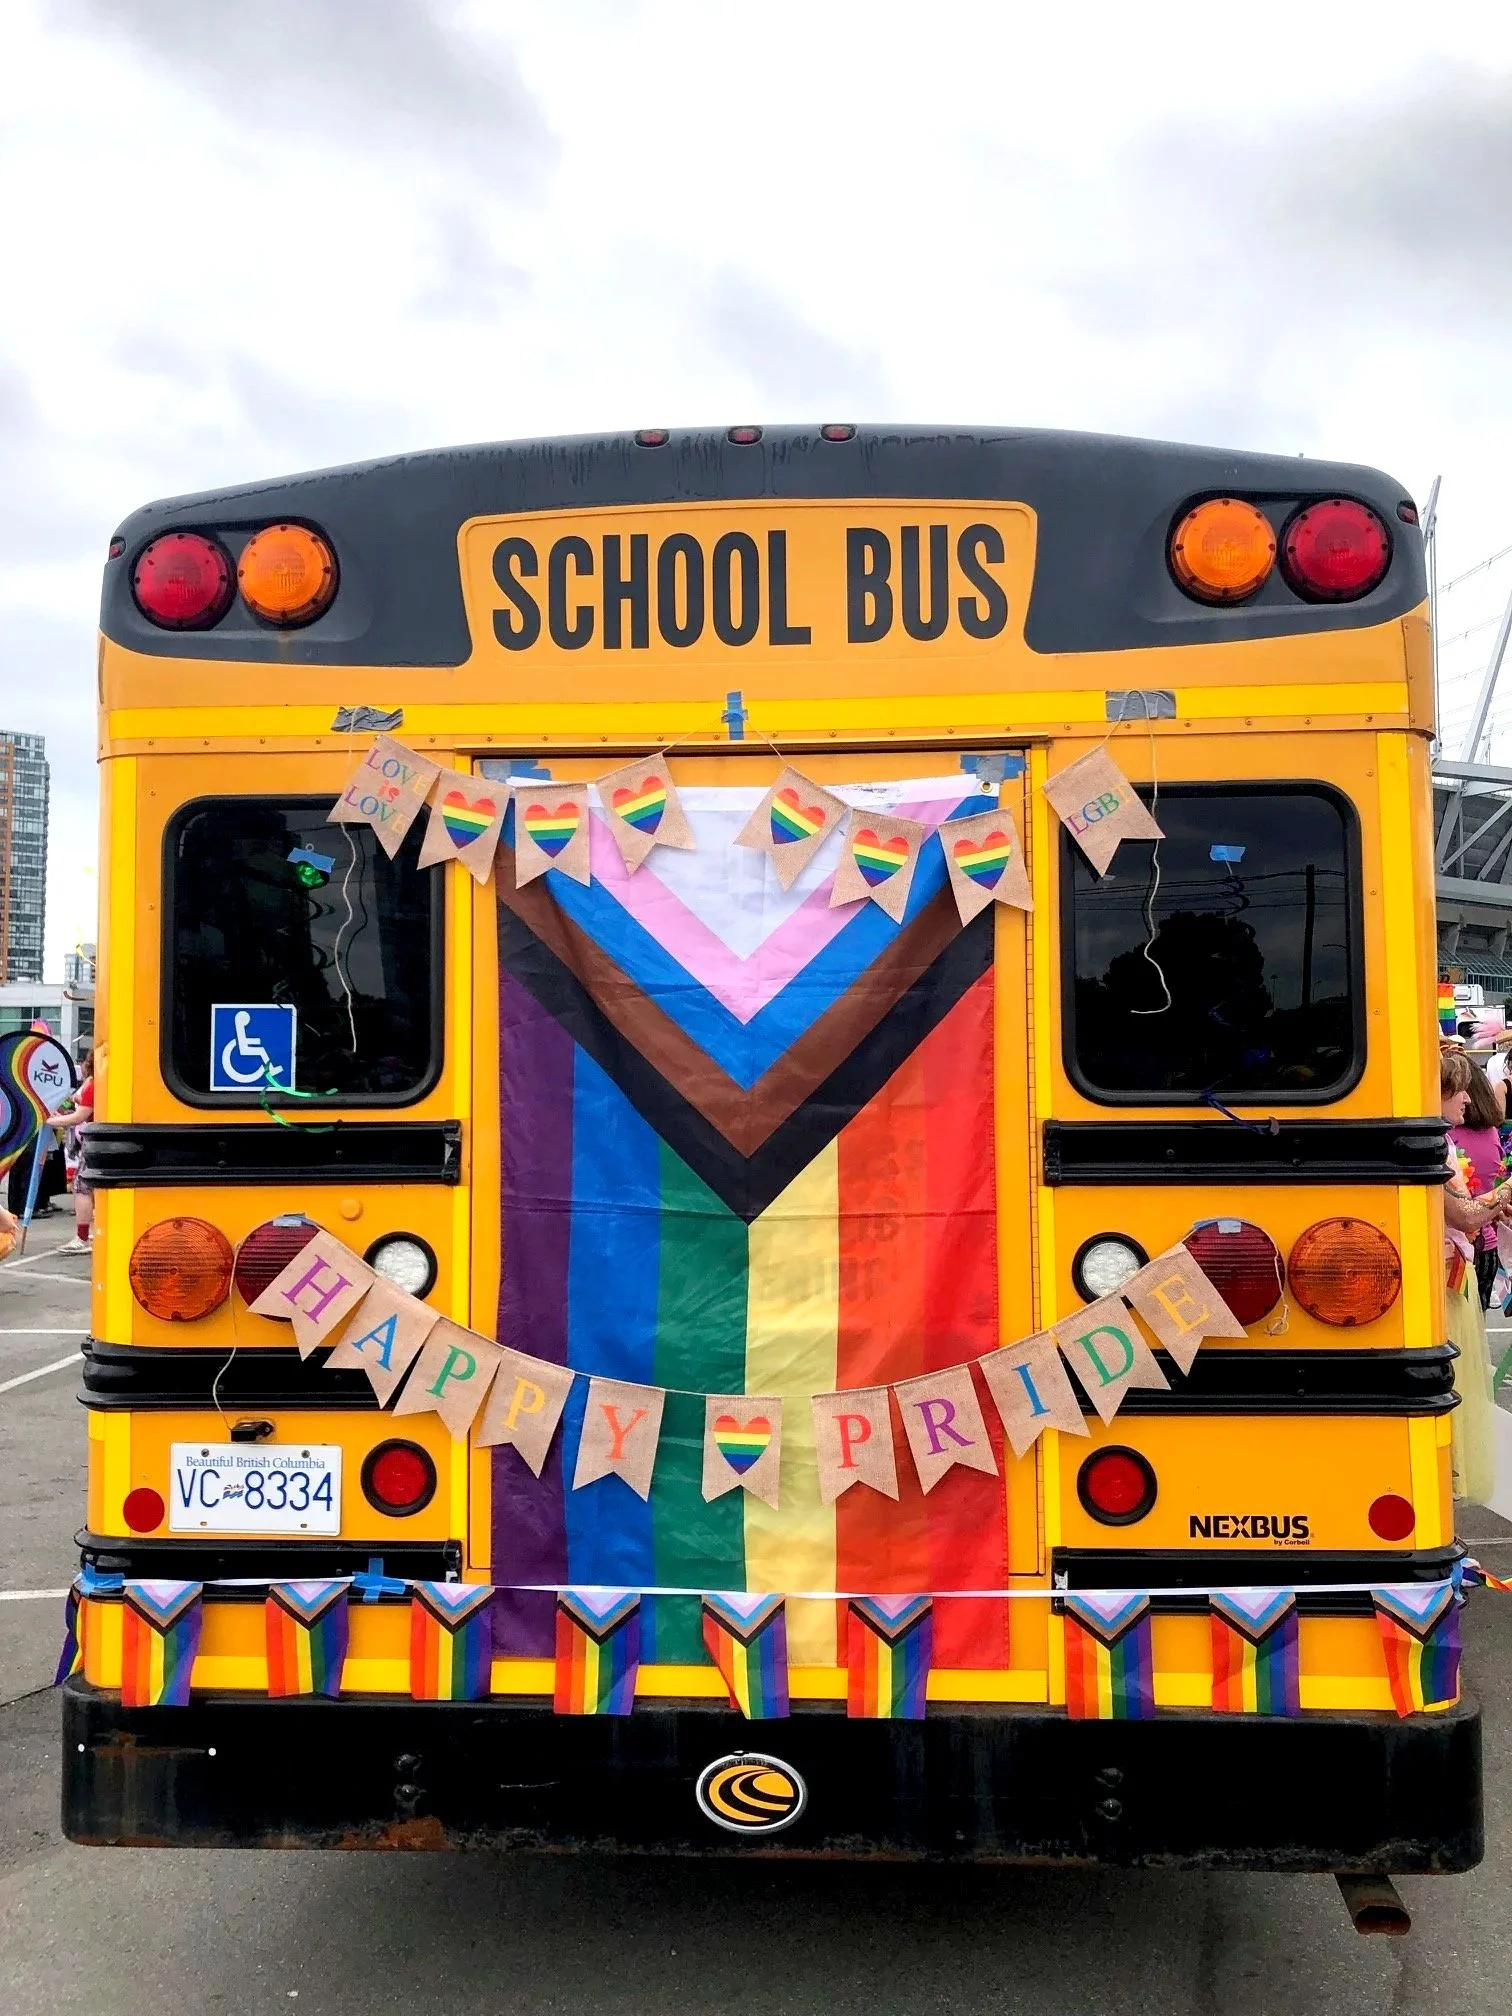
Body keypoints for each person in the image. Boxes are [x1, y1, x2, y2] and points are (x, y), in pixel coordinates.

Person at [1441, 1048, 1503, 1504]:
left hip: (1454, 1268)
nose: (1467, 1098)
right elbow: (1464, 1214)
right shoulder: (1436, 1145)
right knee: (1451, 1377)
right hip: (1444, 1274)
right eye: (1457, 1089)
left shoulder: (1441, 1142)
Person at [1450, 1058, 1506, 1308]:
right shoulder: (1492, 1133)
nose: (1466, 1099)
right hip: (1485, 1245)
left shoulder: (1444, 1139)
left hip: (1456, 1256)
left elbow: (1467, 1215)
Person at [48, 1049, 93, 1253]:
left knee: (82, 1188)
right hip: (94, 1139)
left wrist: (52, 1120)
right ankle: (93, 1231)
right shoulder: (93, 1082)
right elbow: (76, 1099)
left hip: (93, 1140)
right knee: (93, 1189)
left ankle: (82, 1238)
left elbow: (79, 1116)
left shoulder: (94, 1085)